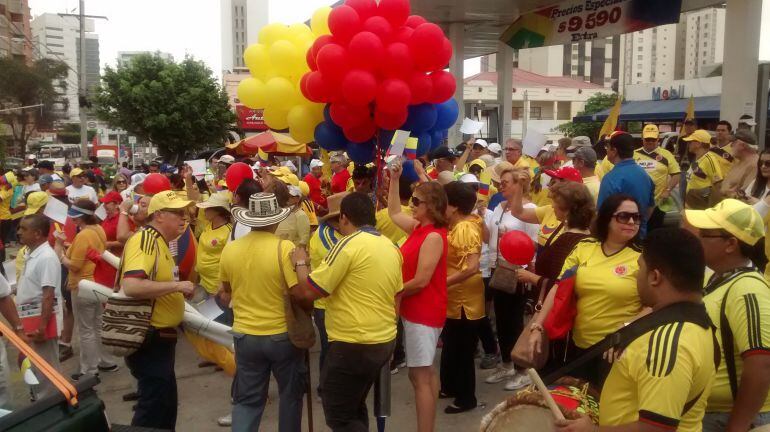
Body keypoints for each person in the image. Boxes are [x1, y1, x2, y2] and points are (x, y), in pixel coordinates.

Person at [557, 228, 717, 432]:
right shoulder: (699, 323)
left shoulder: (667, 343)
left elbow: (656, 429)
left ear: (655, 277)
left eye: (640, 267)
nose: (635, 274)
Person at [291, 192, 403, 431]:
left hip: (354, 343)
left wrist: (300, 262)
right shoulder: (389, 246)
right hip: (382, 339)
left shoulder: (348, 244)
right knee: (354, 406)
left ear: (344, 218)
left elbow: (308, 292)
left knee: (339, 416)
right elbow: (398, 296)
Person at [527, 194, 645, 386]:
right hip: (578, 348)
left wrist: (626, 330)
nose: (632, 222)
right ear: (606, 218)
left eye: (636, 217)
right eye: (624, 216)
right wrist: (538, 326)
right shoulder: (584, 247)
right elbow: (558, 288)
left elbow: (654, 305)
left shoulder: (642, 257)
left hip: (618, 351)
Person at [219, 192, 305, 432]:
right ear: (276, 220)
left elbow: (226, 290)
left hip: (245, 335)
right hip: (280, 334)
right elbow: (298, 291)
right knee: (290, 396)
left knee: (247, 400)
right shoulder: (284, 248)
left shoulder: (230, 250)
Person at [684, 199, 770, 431]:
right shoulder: (717, 277)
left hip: (726, 417)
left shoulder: (748, 289)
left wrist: (736, 427)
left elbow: (761, 364)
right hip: (710, 412)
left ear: (731, 244)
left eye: (704, 233)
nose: (697, 238)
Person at [120, 190, 194, 430]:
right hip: (149, 338)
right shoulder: (146, 240)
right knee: (153, 409)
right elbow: (132, 285)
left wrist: (175, 290)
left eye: (185, 212)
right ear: (159, 215)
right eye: (178, 213)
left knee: (164, 406)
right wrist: (177, 286)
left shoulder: (160, 241)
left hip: (159, 338)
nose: (184, 218)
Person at [388, 162, 447, 432]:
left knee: (419, 376)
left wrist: (394, 291)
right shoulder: (419, 228)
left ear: (431, 206)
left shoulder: (432, 236)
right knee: (425, 374)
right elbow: (393, 212)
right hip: (417, 310)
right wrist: (394, 179)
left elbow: (422, 280)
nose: (411, 205)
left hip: (423, 311)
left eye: (416, 201)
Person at [514, 181, 594, 362]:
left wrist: (532, 278)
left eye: (555, 204)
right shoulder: (587, 237)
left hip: (556, 317)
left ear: (567, 211)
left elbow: (560, 286)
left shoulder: (568, 241)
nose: (552, 207)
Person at [485, 168, 539, 390]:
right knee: (501, 320)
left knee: (515, 321)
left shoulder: (530, 210)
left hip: (518, 269)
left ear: (519, 184)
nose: (501, 186)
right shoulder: (499, 207)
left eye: (506, 182)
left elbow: (534, 244)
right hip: (498, 268)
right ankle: (507, 363)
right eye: (501, 182)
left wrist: (513, 238)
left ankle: (522, 370)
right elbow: (489, 238)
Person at [54, 199, 118, 381]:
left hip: (82, 286)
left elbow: (74, 265)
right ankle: (107, 361)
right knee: (98, 324)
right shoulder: (98, 229)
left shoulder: (83, 235)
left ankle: (89, 370)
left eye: (75, 218)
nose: (73, 221)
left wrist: (60, 251)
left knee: (86, 329)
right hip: (97, 284)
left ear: (80, 218)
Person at [439, 181, 485, 414]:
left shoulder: (465, 228)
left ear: (454, 206)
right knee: (451, 344)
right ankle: (450, 386)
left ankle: (467, 398)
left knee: (463, 349)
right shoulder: (458, 225)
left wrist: (441, 284)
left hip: (464, 299)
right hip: (454, 297)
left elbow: (471, 267)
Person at [16, 214, 63, 399]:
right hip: (31, 320)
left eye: (23, 229)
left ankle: (51, 403)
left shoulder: (46, 257)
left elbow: (48, 294)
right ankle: (41, 399)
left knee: (46, 368)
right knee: (35, 364)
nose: (18, 232)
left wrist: (42, 327)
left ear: (37, 233)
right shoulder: (31, 253)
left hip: (41, 322)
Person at [308, 192, 347, 398]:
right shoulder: (327, 238)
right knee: (330, 348)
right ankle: (326, 387)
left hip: (331, 301)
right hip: (326, 304)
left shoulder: (333, 234)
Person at [598, 131, 656, 238]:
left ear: (614, 151)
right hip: (639, 235)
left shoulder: (611, 178)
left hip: (617, 238)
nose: (606, 150)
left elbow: (602, 214)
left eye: (607, 147)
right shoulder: (644, 175)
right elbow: (650, 206)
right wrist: (637, 223)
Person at [633, 124, 682, 231]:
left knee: (655, 232)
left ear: (658, 139)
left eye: (653, 139)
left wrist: (668, 190)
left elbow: (676, 174)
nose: (650, 142)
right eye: (647, 139)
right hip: (637, 202)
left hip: (658, 203)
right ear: (642, 138)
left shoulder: (666, 155)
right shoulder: (634, 155)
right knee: (636, 231)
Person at [194, 192, 232, 308]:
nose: (204, 210)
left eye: (208, 208)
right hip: (203, 281)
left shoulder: (229, 231)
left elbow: (230, 262)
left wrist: (222, 287)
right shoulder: (208, 226)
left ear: (218, 211)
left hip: (216, 285)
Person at [683, 129, 724, 210]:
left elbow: (718, 185)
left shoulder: (709, 159)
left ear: (698, 144)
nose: (688, 144)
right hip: (692, 205)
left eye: (690, 142)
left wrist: (714, 208)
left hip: (702, 207)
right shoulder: (697, 159)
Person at [721, 129, 759, 199]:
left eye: (733, 142)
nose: (731, 145)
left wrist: (727, 193)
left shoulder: (755, 165)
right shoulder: (739, 162)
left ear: (743, 145)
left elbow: (746, 196)